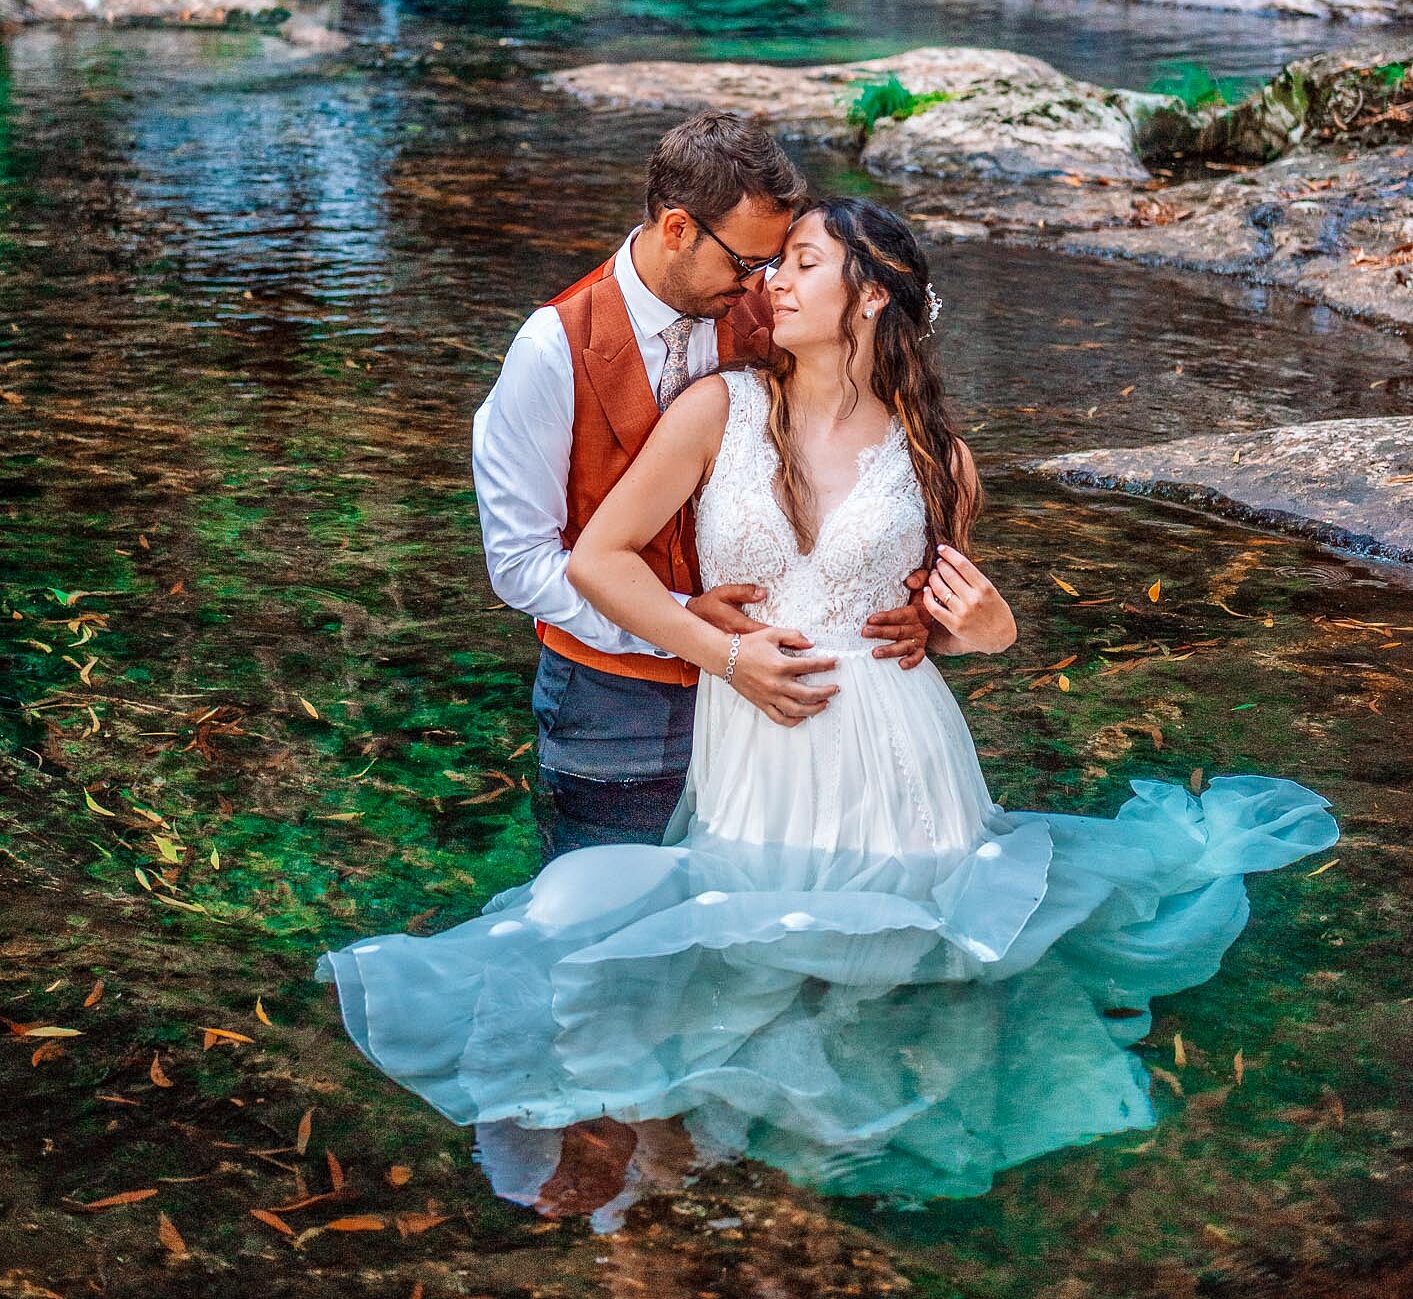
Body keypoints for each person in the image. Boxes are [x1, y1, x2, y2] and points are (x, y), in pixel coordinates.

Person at [318, 198, 1338, 1191]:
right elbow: (599, 559)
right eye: (776, 260)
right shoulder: (718, 407)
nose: (774, 279)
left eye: (803, 260)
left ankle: (843, 1159)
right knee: (744, 961)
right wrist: (724, 655)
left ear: (874, 297)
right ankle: (717, 1161)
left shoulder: (941, 456)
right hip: (758, 738)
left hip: (900, 750)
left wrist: (992, 631)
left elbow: (942, 619)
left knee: (891, 971)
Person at [470, 114, 930, 859]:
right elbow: (519, 566)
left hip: (776, 711)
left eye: (776, 262)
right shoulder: (551, 351)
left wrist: (912, 609)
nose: (765, 282)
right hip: (613, 704)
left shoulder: (768, 315)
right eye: (748, 261)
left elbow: (864, 454)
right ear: (678, 228)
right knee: (604, 922)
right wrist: (694, 629)